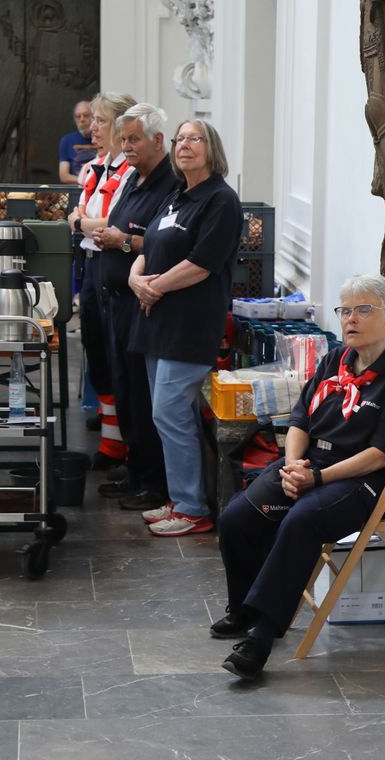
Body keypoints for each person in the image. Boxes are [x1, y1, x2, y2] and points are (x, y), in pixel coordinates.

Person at [211, 274, 385, 679]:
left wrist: (318, 479)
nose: (351, 319)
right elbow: (300, 421)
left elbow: (381, 456)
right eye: (345, 310)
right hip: (308, 466)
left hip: (360, 481)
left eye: (363, 309)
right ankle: (242, 609)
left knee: (301, 521)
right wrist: (294, 466)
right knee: (236, 519)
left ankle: (262, 636)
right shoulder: (335, 360)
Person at [128, 118, 242, 537]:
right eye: (180, 140)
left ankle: (194, 508)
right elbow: (150, 244)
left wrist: (152, 285)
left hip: (190, 324)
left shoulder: (221, 201)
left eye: (195, 139)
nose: (184, 146)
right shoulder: (178, 195)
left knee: (170, 411)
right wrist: (135, 277)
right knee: (168, 417)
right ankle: (180, 498)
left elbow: (202, 264)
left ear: (212, 148)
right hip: (158, 320)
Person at [92, 103, 180, 513]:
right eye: (123, 138)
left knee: (144, 396)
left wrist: (123, 243)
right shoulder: (134, 178)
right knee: (124, 389)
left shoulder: (170, 185)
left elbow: (167, 243)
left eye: (134, 139)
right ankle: (135, 466)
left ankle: (153, 480)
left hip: (142, 303)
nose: (125, 146)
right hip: (115, 299)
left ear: (158, 141)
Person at [67, 92, 137, 472]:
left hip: (115, 264)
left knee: (114, 348)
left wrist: (80, 223)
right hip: (90, 261)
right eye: (92, 120)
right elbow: (80, 211)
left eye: (101, 121)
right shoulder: (96, 166)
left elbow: (110, 222)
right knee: (94, 343)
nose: (93, 128)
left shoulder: (128, 170)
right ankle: (110, 430)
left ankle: (118, 440)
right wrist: (82, 222)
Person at [58, 100, 96, 183]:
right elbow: (64, 176)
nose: (82, 119)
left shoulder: (103, 138)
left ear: (94, 116)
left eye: (86, 115)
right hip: (77, 191)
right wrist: (87, 182)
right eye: (78, 116)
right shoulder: (67, 141)